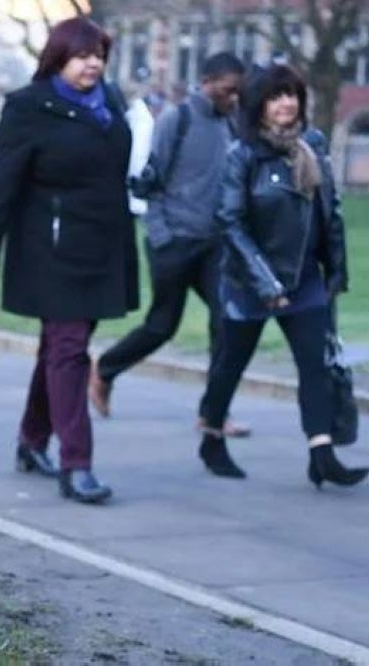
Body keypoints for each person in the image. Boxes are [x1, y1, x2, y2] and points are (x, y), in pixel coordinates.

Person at [0, 17, 138, 504]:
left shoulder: (111, 102)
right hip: (51, 250)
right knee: (70, 349)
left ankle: (31, 440)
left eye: (99, 55)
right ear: (58, 58)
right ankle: (76, 463)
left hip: (101, 245)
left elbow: (116, 165)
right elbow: (1, 183)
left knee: (57, 349)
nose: (93, 64)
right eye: (83, 55)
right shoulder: (28, 107)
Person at [196, 64, 368, 488]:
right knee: (230, 366)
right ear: (258, 106)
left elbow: (332, 212)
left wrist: (336, 272)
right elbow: (230, 223)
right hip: (249, 282)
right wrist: (266, 284)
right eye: (276, 96)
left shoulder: (313, 146)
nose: (287, 103)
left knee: (315, 367)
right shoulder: (243, 157)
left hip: (305, 278)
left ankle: (321, 454)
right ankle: (212, 435)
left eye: (292, 94)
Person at [89, 52, 251, 438]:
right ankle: (105, 368)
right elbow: (149, 182)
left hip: (214, 245)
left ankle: (213, 414)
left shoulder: (231, 123)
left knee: (227, 320)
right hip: (173, 242)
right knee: (163, 325)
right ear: (208, 81)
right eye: (229, 90)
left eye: (238, 92)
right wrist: (162, 237)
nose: (234, 98)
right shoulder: (176, 120)